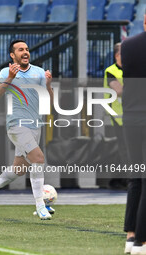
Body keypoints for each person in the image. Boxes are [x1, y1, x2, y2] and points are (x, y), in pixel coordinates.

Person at [0, 39, 54, 220]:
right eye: (20, 50)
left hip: (35, 125)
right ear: (12, 55)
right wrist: (10, 78)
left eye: (27, 49)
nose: (25, 52)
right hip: (16, 125)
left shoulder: (38, 72)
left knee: (20, 169)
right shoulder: (6, 72)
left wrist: (48, 85)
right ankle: (40, 206)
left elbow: (49, 103)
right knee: (38, 158)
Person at [121, 11, 146, 255]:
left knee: (136, 176)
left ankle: (130, 236)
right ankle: (141, 241)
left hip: (130, 116)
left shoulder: (127, 46)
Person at [103, 42, 128, 189]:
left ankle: (117, 180)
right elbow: (118, 90)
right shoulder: (111, 71)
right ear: (117, 55)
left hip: (131, 114)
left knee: (125, 148)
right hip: (118, 116)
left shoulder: (131, 69)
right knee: (125, 149)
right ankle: (127, 180)